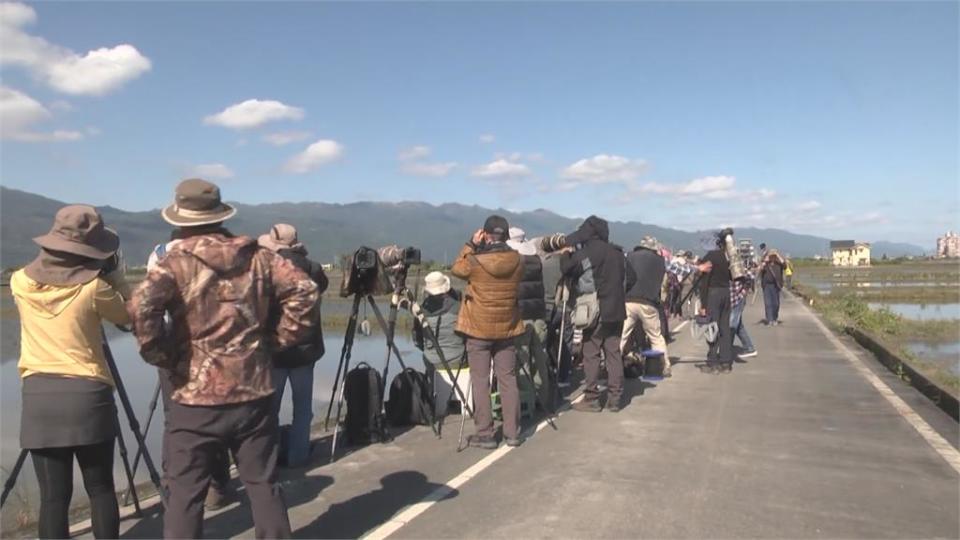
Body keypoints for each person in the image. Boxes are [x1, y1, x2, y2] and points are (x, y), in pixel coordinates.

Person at [128, 178, 320, 539]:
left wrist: (164, 355)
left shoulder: (174, 263)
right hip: (254, 391)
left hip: (194, 398)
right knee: (263, 485)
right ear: (219, 216)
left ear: (181, 221)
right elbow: (305, 291)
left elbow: (141, 307)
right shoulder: (259, 257)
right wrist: (276, 341)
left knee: (185, 495)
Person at [11, 205, 130, 539]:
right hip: (87, 397)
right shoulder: (94, 289)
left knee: (53, 498)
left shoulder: (20, 282)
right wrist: (117, 278)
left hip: (39, 399)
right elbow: (128, 317)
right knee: (101, 489)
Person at [148, 232, 237, 510]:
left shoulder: (159, 252)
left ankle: (173, 482)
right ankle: (215, 486)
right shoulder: (222, 251)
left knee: (173, 416)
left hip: (173, 347)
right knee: (215, 413)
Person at [450, 215, 525, 449]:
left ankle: (486, 433)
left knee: (481, 381)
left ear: (486, 234)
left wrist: (471, 244)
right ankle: (513, 433)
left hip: (478, 329)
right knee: (508, 379)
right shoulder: (518, 260)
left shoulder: (475, 261)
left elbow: (456, 269)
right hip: (507, 328)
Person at [258, 223, 329, 468]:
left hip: (275, 352)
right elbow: (324, 287)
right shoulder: (314, 268)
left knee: (270, 410)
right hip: (305, 351)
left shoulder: (266, 268)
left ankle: (269, 457)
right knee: (303, 408)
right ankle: (299, 456)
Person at [560, 215, 628, 412]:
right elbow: (630, 277)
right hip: (616, 309)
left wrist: (566, 253)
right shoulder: (617, 253)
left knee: (591, 353)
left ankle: (592, 398)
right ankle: (615, 398)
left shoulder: (586, 253)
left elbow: (567, 269)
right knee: (613, 353)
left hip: (594, 311)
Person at [507, 227, 554, 407]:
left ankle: (527, 400)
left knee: (523, 359)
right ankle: (543, 397)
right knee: (540, 356)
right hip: (539, 313)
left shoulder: (513, 261)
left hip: (521, 315)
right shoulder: (536, 259)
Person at [413, 271, 466, 411]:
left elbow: (417, 341)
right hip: (459, 359)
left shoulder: (420, 311)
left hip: (432, 363)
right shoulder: (459, 307)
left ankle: (435, 398)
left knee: (426, 356)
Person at [621, 236, 671, 377]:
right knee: (655, 336)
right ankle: (664, 366)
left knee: (622, 335)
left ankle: (611, 366)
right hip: (649, 303)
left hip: (629, 301)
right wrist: (698, 267)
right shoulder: (660, 261)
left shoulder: (629, 256)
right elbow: (679, 268)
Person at [699, 230, 736, 374]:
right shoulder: (728, 257)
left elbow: (704, 282)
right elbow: (733, 277)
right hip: (726, 293)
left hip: (713, 294)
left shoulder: (709, 257)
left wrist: (703, 305)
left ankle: (712, 362)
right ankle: (726, 362)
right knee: (724, 328)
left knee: (712, 328)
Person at [730, 268, 758, 358]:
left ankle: (726, 349)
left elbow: (751, 275)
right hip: (731, 298)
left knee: (732, 324)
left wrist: (746, 288)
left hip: (738, 298)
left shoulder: (736, 265)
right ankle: (749, 347)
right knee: (738, 325)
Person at [761, 250, 786, 325]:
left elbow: (785, 266)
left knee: (776, 303)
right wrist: (765, 260)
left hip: (776, 286)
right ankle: (770, 319)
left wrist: (778, 255)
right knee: (768, 303)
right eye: (771, 256)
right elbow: (760, 268)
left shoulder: (779, 264)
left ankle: (775, 318)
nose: (772, 257)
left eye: (773, 256)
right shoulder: (765, 264)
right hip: (767, 285)